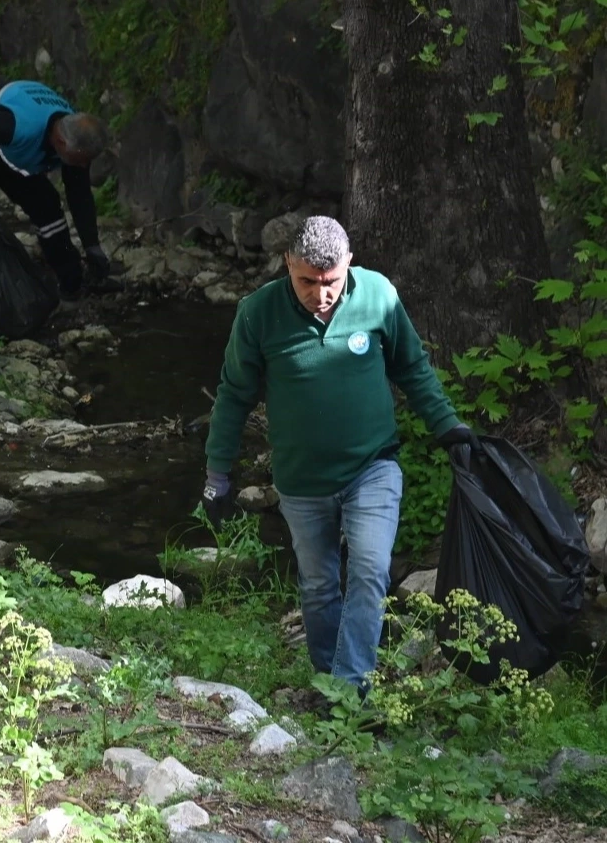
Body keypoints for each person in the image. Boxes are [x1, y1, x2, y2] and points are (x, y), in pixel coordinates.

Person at [201, 215, 479, 693]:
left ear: (349, 263)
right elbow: (233, 395)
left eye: (331, 281)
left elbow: (412, 367)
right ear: (288, 264)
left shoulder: (377, 294)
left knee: (370, 571)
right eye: (308, 281)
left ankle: (352, 693)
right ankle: (328, 680)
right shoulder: (258, 313)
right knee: (319, 587)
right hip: (302, 480)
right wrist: (217, 472)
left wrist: (447, 426)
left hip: (372, 466)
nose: (321, 293)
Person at [0, 78, 118, 328]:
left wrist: (92, 246)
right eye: (80, 160)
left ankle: (71, 286)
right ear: (61, 143)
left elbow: (79, 196)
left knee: (47, 205)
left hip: (2, 150)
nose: (83, 167)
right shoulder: (18, 126)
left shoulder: (75, 136)